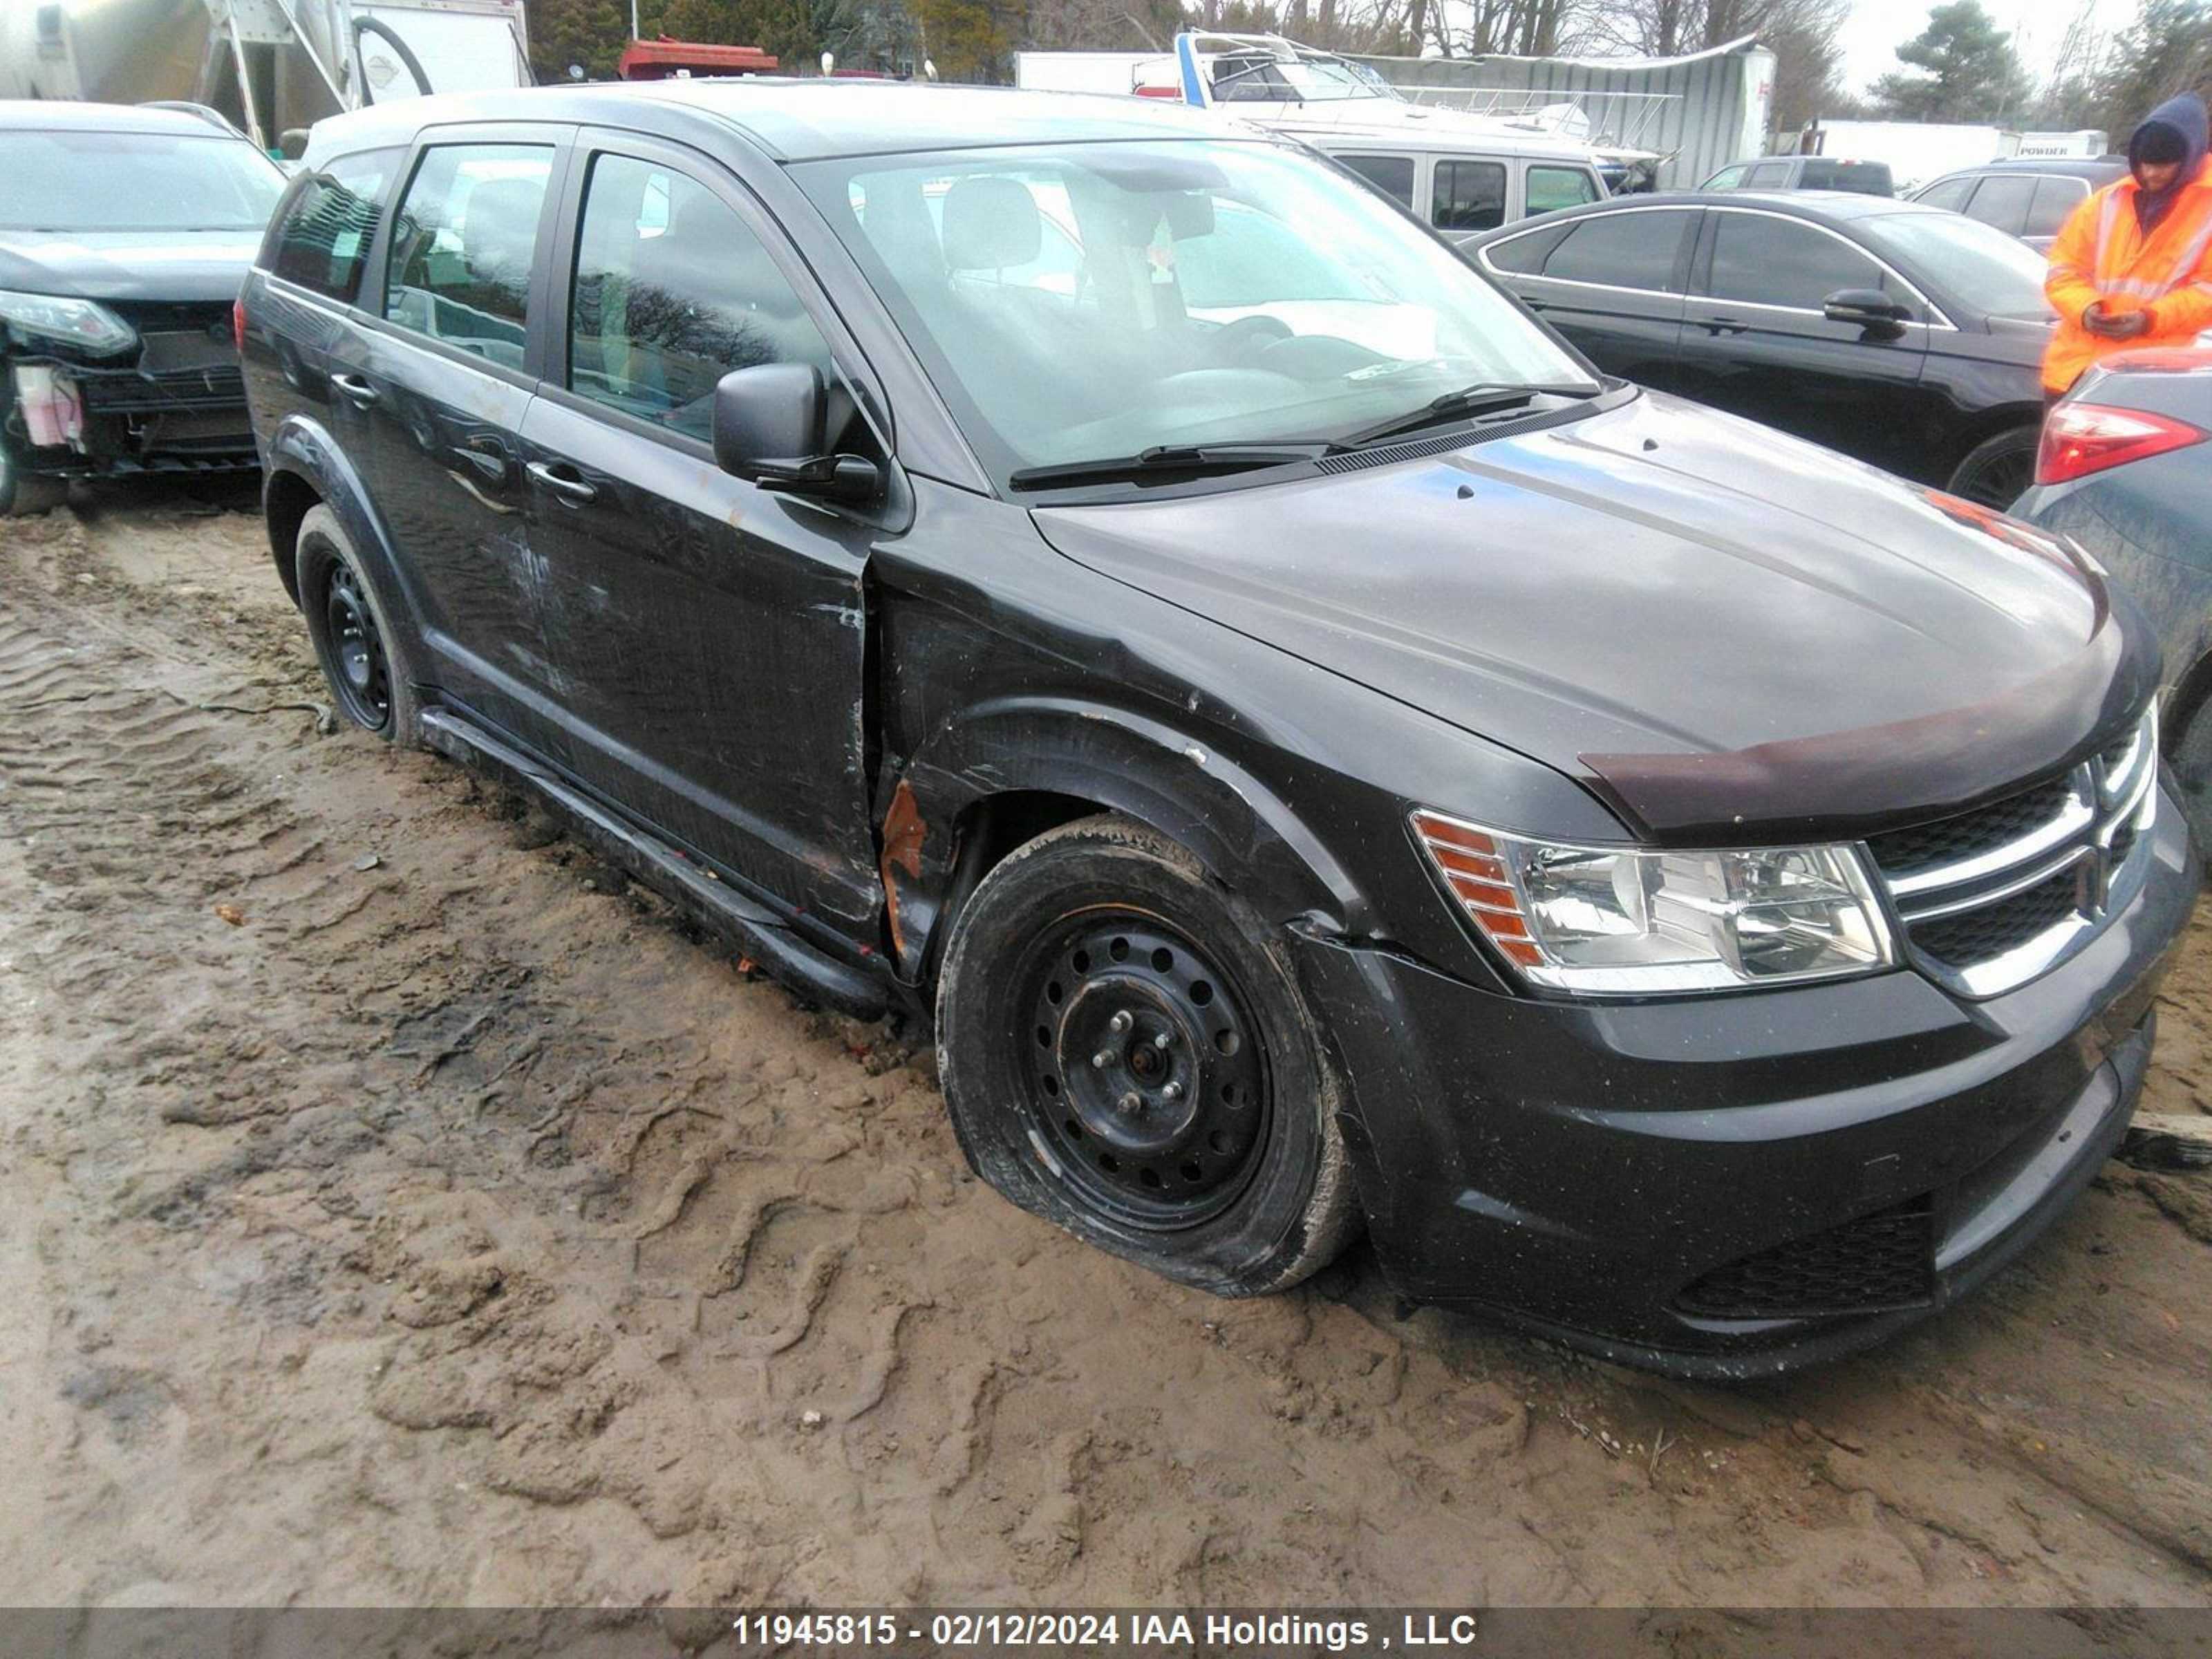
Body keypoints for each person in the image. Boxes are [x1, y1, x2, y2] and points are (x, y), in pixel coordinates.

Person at [2043, 92, 2212, 400]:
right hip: (2074, 373)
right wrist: (2085, 309)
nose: (2150, 173)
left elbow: (2208, 294)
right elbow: (2062, 271)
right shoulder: (2106, 202)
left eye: (2163, 165)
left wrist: (2149, 319)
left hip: (2150, 378)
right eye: (2144, 163)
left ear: (2190, 158)